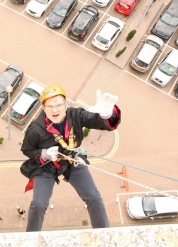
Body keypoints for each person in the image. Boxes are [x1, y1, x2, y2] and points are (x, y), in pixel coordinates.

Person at [20, 86, 121, 232]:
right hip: (46, 166)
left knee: (94, 197)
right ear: (43, 107)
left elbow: (96, 121)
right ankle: (30, 238)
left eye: (59, 105)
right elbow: (27, 150)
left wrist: (106, 114)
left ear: (66, 104)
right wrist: (45, 153)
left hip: (72, 161)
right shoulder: (36, 129)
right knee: (38, 204)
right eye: (50, 106)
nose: (55, 110)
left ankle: (103, 234)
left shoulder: (76, 115)